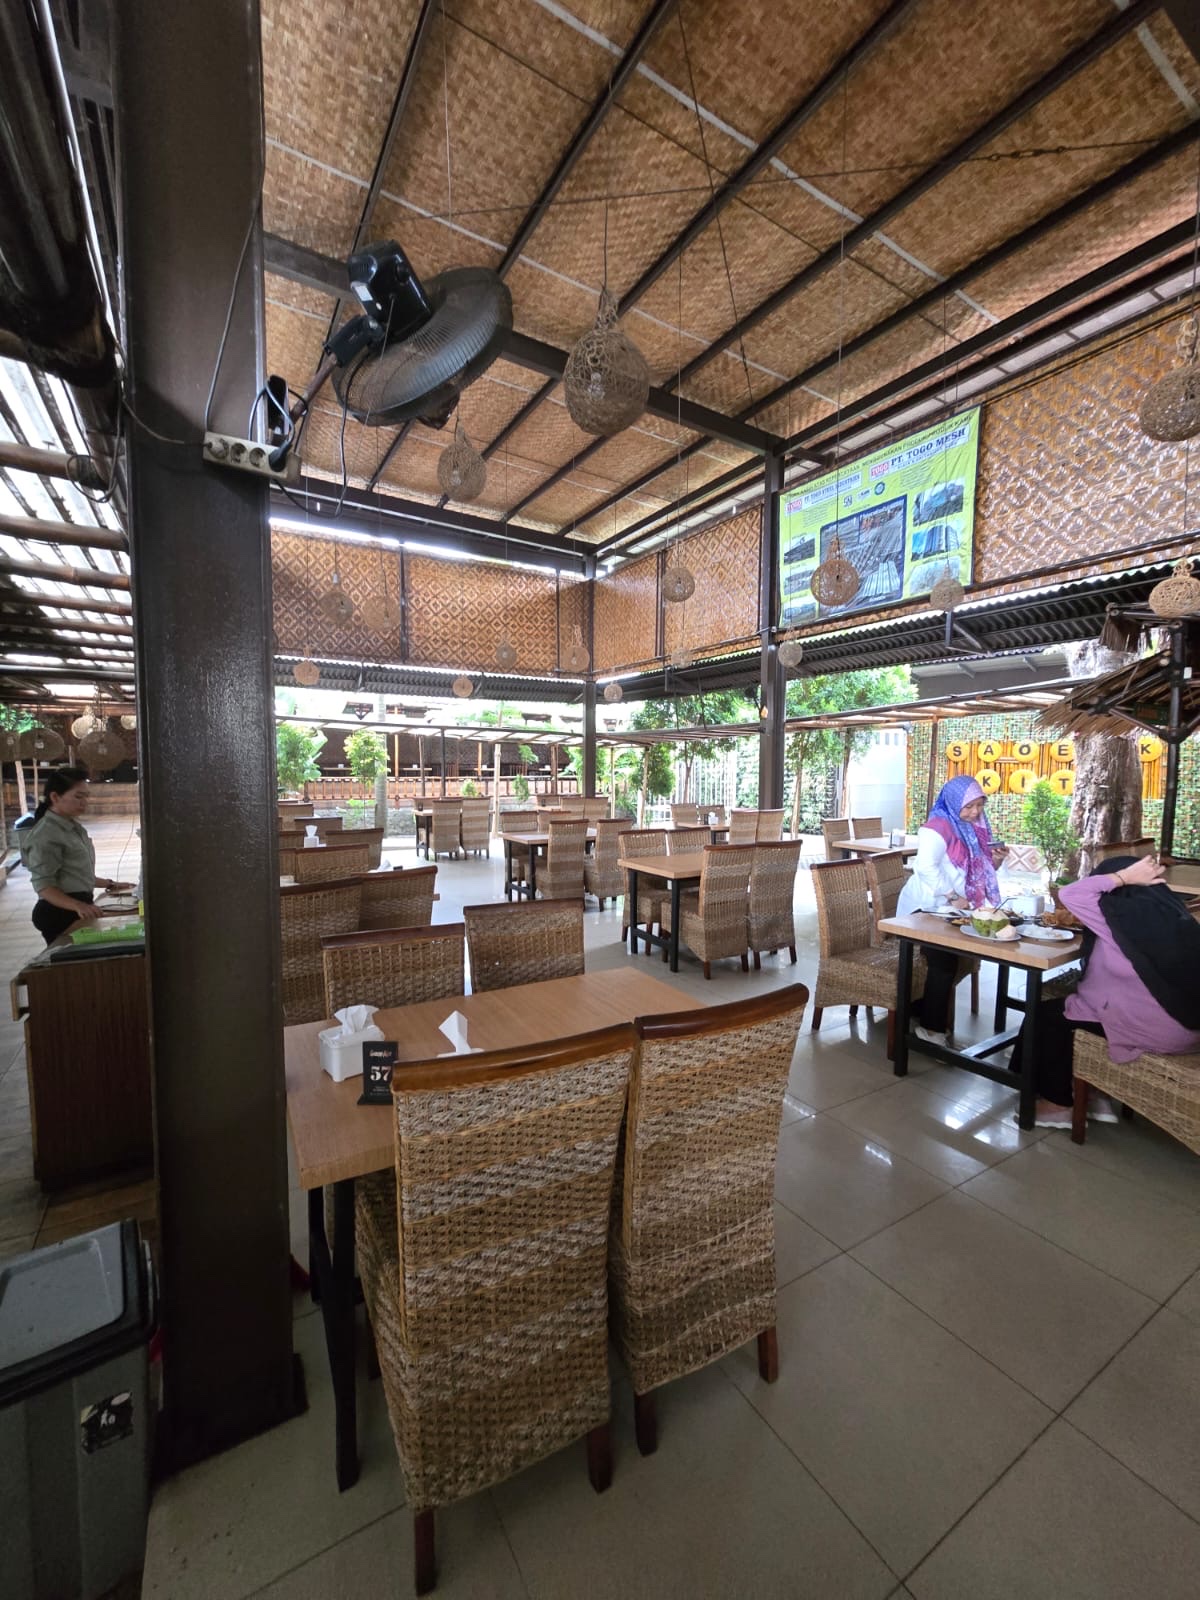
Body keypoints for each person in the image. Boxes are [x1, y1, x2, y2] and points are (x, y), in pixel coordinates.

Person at [1016, 853, 1200, 1128]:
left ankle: (1058, 1105)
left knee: (1047, 1015)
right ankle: (1095, 1094)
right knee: (1072, 1006)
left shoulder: (1118, 918)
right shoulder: (1171, 914)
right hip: (1189, 1028)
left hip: (1158, 1030)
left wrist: (1122, 877)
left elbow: (1070, 893)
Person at [896, 774, 1009, 1042]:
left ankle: (918, 1011)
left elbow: (976, 872)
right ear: (954, 802)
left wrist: (995, 862)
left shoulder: (973, 828)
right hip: (924, 907)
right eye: (969, 806)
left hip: (953, 909)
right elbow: (924, 868)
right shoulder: (936, 828)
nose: (975, 812)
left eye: (979, 805)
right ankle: (931, 1029)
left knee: (964, 946)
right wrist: (952, 896)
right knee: (944, 957)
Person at [25, 767, 133, 945]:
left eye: (86, 797)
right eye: (78, 797)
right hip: (59, 912)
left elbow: (76, 873)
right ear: (55, 797)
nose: (84, 802)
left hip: (77, 907)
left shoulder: (72, 827)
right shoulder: (46, 834)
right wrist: (78, 905)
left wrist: (109, 884)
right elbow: (44, 886)